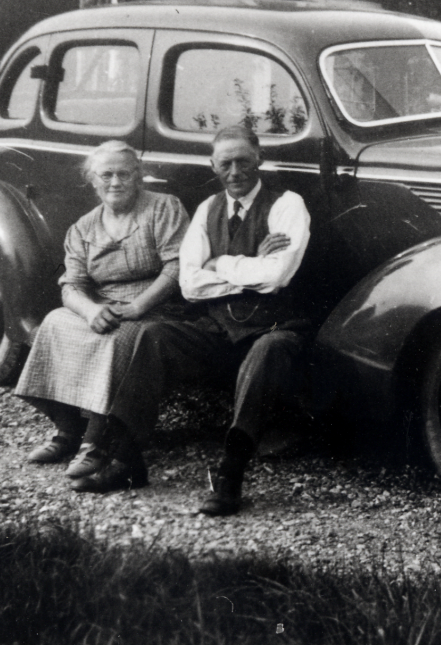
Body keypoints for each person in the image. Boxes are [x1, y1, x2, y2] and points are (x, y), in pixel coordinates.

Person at [69, 126, 312, 518]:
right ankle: (128, 462)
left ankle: (230, 477)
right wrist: (247, 266)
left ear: (260, 159)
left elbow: (276, 277)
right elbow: (190, 284)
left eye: (244, 161)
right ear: (214, 166)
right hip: (218, 330)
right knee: (154, 335)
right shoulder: (208, 208)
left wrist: (220, 263)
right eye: (226, 164)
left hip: (273, 328)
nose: (235, 171)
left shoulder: (287, 204)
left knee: (270, 349)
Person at [16, 140, 189, 482]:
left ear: (138, 177)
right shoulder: (83, 227)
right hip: (103, 306)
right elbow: (72, 286)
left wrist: (138, 305)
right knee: (54, 323)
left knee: (118, 337)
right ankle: (68, 431)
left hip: (157, 307)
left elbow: (177, 267)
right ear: (92, 181)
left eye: (124, 173)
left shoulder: (163, 208)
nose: (115, 182)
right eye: (106, 174)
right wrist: (91, 310)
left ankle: (95, 443)